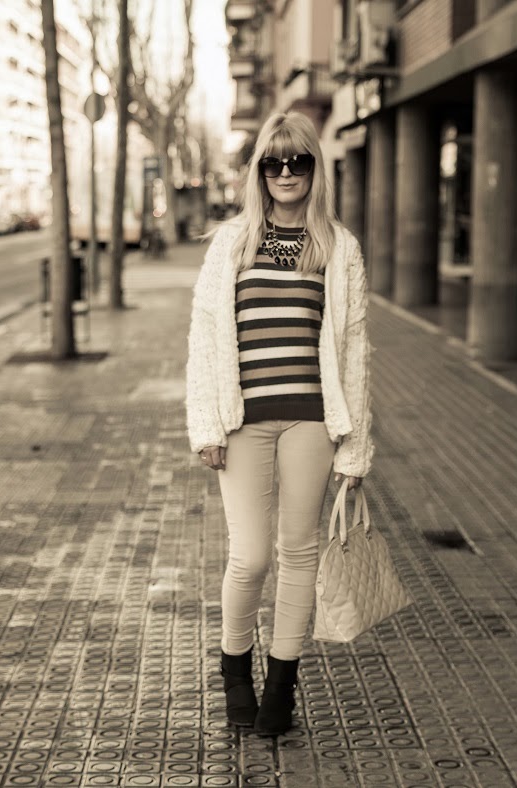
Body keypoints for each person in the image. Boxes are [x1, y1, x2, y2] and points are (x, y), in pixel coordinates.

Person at [186, 111, 373, 736]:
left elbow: (354, 348)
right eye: (274, 162)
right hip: (244, 423)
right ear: (259, 171)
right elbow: (205, 339)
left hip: (312, 424)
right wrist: (206, 426)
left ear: (315, 169)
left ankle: (281, 686)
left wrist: (355, 449)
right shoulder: (232, 243)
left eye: (299, 161)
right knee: (250, 557)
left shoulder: (338, 247)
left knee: (300, 553)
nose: (286, 173)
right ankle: (235, 671)